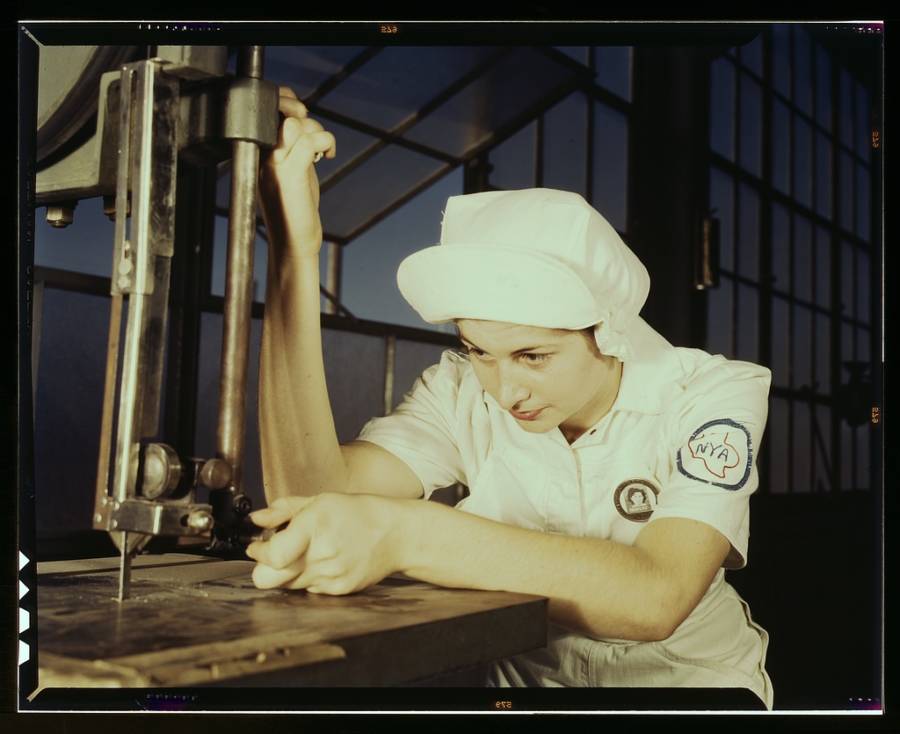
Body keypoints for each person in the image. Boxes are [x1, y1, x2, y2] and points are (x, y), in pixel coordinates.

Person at [248, 87, 774, 708]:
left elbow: (654, 598)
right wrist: (293, 253)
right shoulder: (460, 391)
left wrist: (404, 534)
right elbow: (310, 495)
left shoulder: (714, 392)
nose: (504, 389)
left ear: (607, 331)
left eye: (533, 356)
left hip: (693, 693)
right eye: (479, 351)